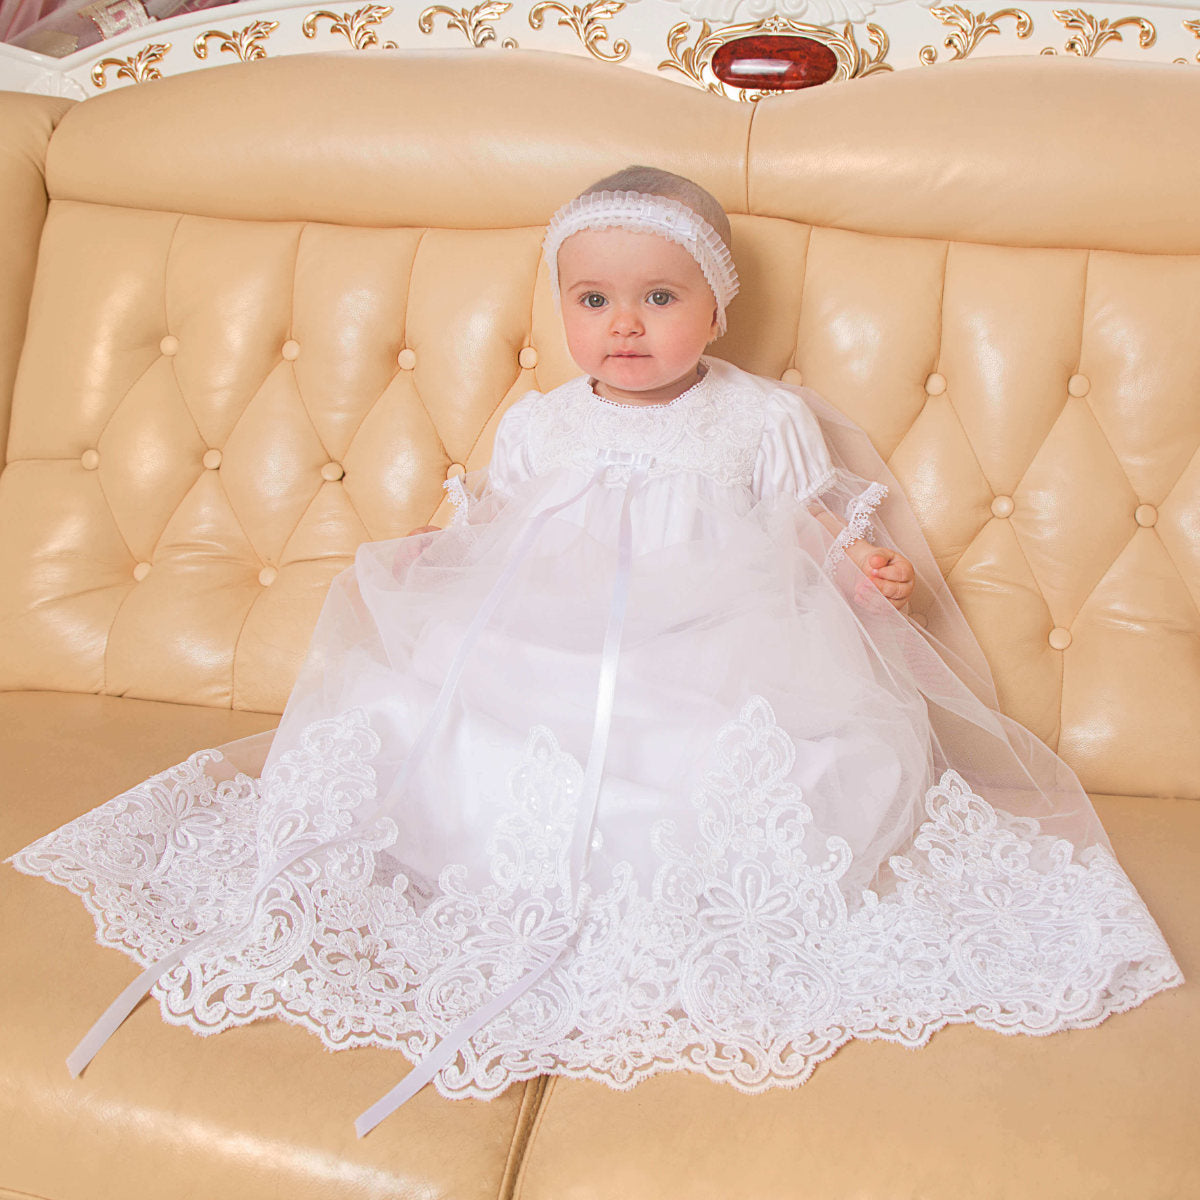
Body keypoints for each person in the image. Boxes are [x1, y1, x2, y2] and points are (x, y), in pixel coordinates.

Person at [9, 166, 1182, 1137]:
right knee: (443, 731)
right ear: (563, 308)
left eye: (661, 297)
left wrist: (860, 570)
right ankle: (490, 879)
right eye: (593, 300)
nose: (624, 325)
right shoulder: (541, 420)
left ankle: (645, 901)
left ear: (717, 310)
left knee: (728, 772)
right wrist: (436, 555)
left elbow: (810, 528)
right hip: (545, 652)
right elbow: (495, 531)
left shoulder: (759, 418)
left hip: (720, 662)